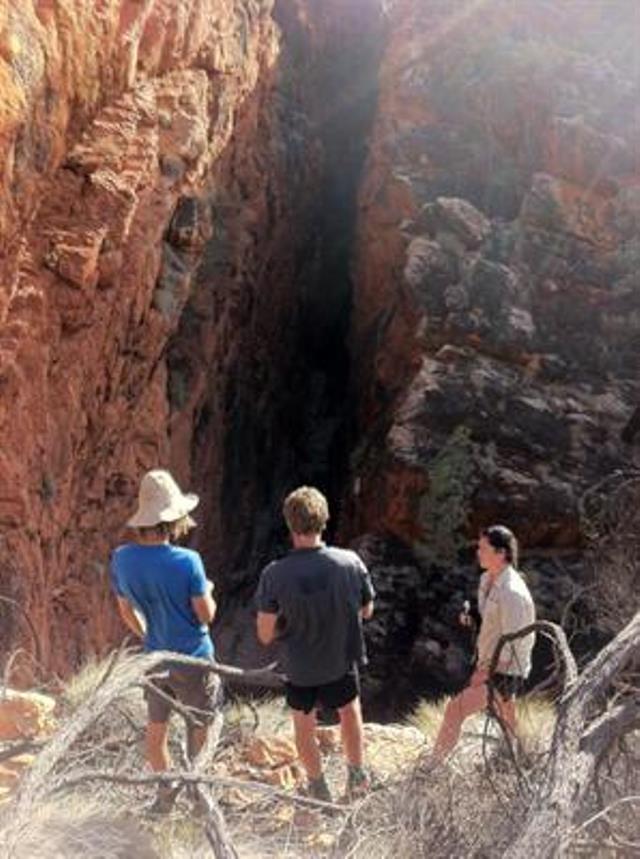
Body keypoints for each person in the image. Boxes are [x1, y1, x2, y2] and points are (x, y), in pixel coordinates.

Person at [255, 486, 375, 802]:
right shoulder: (350, 563)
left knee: (304, 724)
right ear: (324, 519)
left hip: (300, 666)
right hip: (340, 658)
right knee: (349, 711)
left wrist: (287, 622)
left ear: (290, 524)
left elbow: (265, 634)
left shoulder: (274, 574)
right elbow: (366, 609)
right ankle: (357, 778)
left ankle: (318, 787)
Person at [111, 469, 218, 813]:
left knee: (156, 735)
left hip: (155, 660)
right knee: (200, 727)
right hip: (194, 658)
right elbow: (206, 615)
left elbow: (125, 610)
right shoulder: (189, 562)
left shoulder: (122, 559)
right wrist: (210, 592)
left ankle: (165, 795)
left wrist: (147, 635)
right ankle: (198, 798)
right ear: (173, 518)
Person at [431, 525, 536, 761]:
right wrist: (473, 619)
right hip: (489, 661)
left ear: (501, 553)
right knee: (508, 718)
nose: (478, 552)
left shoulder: (512, 592)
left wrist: (486, 674)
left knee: (454, 710)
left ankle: (431, 769)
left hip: (507, 671)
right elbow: (490, 619)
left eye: (483, 548)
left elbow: (513, 641)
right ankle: (517, 761)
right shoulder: (487, 579)